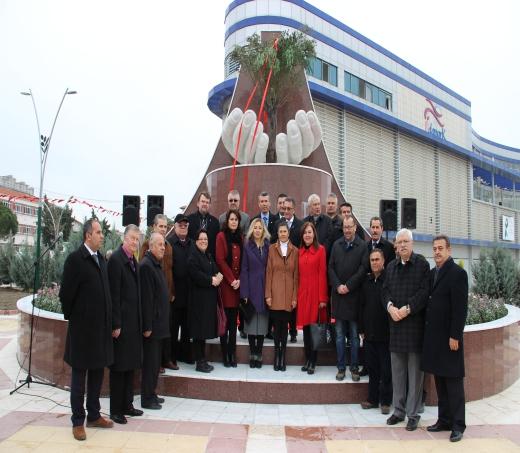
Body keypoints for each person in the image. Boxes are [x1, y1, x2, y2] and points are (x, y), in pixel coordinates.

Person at [59, 219, 114, 441]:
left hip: (100, 331)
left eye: (102, 232)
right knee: (79, 380)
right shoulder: (75, 260)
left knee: (97, 376)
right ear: (87, 235)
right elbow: (66, 296)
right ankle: (77, 421)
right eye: (98, 232)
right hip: (82, 333)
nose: (102, 236)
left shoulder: (101, 259)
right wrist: (79, 318)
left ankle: (93, 415)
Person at [422, 235, 468, 443]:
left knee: (453, 383)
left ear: (449, 250)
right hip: (435, 338)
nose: (437, 252)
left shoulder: (458, 274)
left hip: (450, 339)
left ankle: (458, 425)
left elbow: (460, 309)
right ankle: (444, 419)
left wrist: (455, 335)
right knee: (440, 381)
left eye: (440, 248)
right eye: (434, 249)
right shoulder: (433, 274)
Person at [383, 228, 430, 431]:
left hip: (414, 327)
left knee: (415, 374)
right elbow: (384, 290)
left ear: (412, 244)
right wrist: (390, 307)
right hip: (395, 326)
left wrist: (408, 308)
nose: (401, 245)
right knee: (398, 373)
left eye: (405, 242)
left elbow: (424, 292)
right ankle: (399, 411)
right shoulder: (391, 266)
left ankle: (413, 414)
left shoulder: (422, 264)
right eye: (399, 242)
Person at [107, 224, 143, 424]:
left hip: (133, 324)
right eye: (132, 239)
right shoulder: (116, 260)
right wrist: (115, 323)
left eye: (137, 239)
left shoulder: (133, 261)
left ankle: (128, 404)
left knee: (130, 366)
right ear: (124, 238)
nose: (135, 243)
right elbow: (114, 295)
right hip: (121, 325)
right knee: (119, 368)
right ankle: (115, 409)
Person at [328, 215, 367, 382]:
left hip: (354, 298)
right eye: (345, 227)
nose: (347, 230)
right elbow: (330, 268)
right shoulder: (336, 245)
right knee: (338, 336)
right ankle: (341, 367)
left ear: (355, 228)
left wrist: (348, 286)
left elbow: (363, 269)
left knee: (353, 336)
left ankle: (354, 367)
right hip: (339, 298)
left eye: (350, 227)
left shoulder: (363, 246)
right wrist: (338, 285)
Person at [139, 214, 175, 372]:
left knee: (166, 329)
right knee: (155, 333)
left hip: (166, 293)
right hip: (153, 296)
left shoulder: (169, 246)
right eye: (160, 226)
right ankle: (157, 363)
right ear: (154, 227)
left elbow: (170, 270)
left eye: (165, 226)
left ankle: (166, 359)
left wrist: (171, 290)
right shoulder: (148, 245)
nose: (163, 229)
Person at [359, 248, 392, 415]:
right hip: (369, 333)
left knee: (386, 370)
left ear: (383, 261)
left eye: (377, 259)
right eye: (372, 260)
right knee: (372, 369)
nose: (375, 263)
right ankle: (372, 399)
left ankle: (386, 402)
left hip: (385, 334)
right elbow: (362, 306)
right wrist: (361, 329)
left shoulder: (389, 281)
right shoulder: (367, 281)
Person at [140, 233, 170, 410]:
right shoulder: (146, 266)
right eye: (159, 245)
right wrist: (148, 326)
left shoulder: (156, 264)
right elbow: (147, 299)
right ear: (150, 246)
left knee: (155, 363)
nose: (163, 248)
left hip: (160, 325)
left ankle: (152, 393)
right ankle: (146, 398)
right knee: (150, 364)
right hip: (152, 327)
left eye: (164, 245)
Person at [188, 229, 223, 373]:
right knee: (198, 333)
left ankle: (202, 359)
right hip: (198, 301)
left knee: (203, 332)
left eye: (206, 239)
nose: (204, 241)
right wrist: (211, 280)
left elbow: (215, 269)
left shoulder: (207, 255)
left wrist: (218, 276)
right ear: (196, 241)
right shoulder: (193, 256)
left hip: (207, 301)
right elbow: (195, 274)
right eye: (201, 239)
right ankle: (199, 362)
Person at [265, 221, 299, 371]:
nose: (283, 234)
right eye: (280, 231)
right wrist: (268, 295)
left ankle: (282, 356)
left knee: (284, 328)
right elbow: (269, 273)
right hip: (275, 294)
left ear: (289, 233)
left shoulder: (295, 251)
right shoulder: (272, 249)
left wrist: (294, 297)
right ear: (277, 233)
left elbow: (296, 276)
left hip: (288, 295)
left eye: (285, 231)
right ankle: (276, 355)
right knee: (276, 328)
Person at [297, 222, 328, 374]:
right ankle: (307, 359)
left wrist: (323, 298)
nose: (307, 235)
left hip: (315, 295)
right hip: (303, 295)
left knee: (314, 329)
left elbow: (322, 274)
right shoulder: (299, 252)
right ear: (302, 236)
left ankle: (313, 361)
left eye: (310, 232)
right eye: (305, 233)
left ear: (314, 234)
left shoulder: (321, 250)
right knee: (306, 330)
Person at [240, 218, 270, 368]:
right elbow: (243, 270)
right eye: (255, 228)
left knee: (262, 325)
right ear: (252, 230)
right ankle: (252, 354)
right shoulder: (247, 246)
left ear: (263, 230)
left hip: (264, 287)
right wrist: (244, 292)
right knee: (251, 324)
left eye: (260, 228)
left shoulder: (268, 247)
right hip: (251, 288)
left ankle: (259, 354)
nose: (258, 230)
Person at [216, 209, 243, 367]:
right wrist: (232, 280)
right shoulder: (221, 236)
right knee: (225, 323)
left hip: (237, 286)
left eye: (236, 219)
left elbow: (243, 261)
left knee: (234, 324)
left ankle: (232, 354)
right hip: (226, 286)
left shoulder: (240, 237)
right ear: (227, 221)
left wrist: (239, 281)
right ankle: (225, 354)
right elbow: (220, 260)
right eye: (231, 219)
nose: (234, 222)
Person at [168, 214, 193, 366]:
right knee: (173, 327)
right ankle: (171, 356)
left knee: (186, 327)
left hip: (189, 293)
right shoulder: (169, 244)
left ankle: (184, 354)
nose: (183, 227)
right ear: (175, 226)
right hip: (175, 294)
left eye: (185, 225)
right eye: (180, 225)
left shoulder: (192, 243)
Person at [187, 192, 220, 258]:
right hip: (193, 258)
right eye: (203, 201)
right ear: (198, 203)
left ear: (209, 205)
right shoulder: (189, 219)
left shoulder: (215, 222)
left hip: (209, 259)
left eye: (207, 202)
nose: (205, 204)